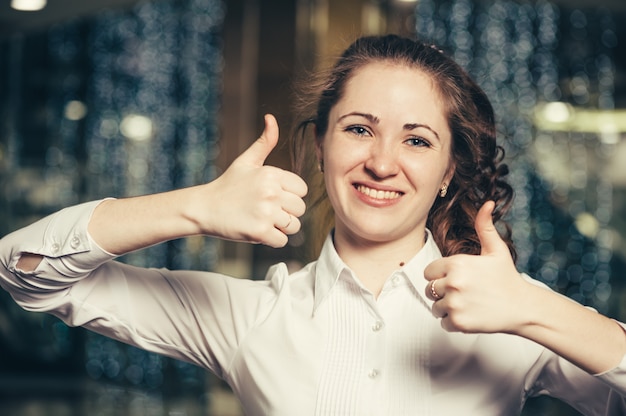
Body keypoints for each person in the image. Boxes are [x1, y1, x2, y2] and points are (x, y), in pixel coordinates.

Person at [1, 34, 625, 415]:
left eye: (416, 139)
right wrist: (192, 207)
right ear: (321, 147)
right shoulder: (249, 315)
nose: (381, 161)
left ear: (447, 172)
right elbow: (26, 272)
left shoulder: (513, 309)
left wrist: (536, 314)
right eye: (359, 129)